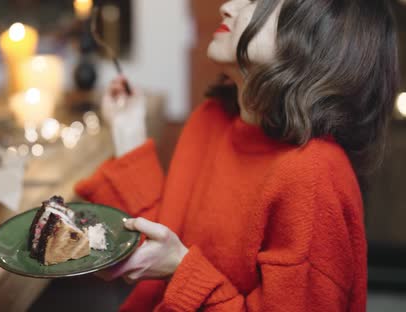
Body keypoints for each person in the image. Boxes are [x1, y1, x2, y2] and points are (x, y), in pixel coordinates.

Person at [75, 0, 399, 311]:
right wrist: (127, 130)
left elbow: (175, 260)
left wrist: (181, 269)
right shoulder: (211, 119)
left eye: (256, 1)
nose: (227, 6)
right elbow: (162, 235)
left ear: (317, 35)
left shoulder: (313, 175)